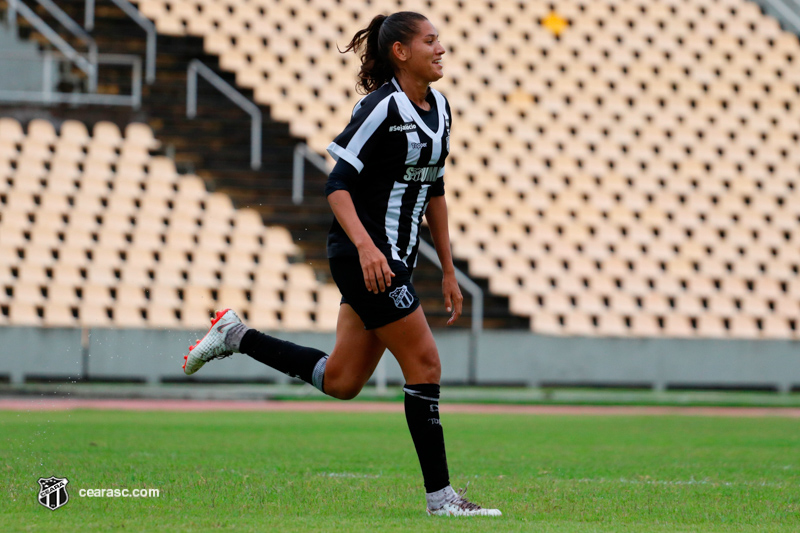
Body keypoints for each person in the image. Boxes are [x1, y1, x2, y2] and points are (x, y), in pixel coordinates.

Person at [182, 11, 501, 517]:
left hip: (389, 258)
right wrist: (368, 247)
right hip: (365, 258)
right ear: (401, 52)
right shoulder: (379, 108)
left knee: (342, 382)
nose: (441, 49)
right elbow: (337, 186)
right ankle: (442, 501)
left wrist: (447, 267)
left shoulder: (440, 109)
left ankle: (235, 336)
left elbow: (434, 188)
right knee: (426, 365)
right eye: (431, 41)